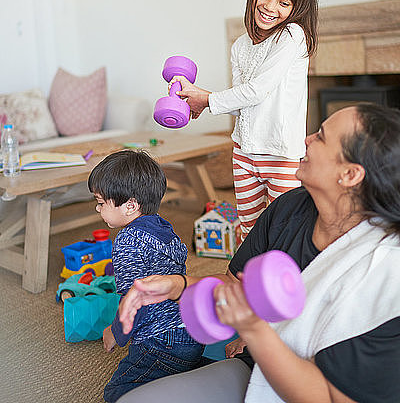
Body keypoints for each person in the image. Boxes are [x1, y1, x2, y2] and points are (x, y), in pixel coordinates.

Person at [117, 103, 400, 403]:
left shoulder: (385, 271)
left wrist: (253, 330)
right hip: (258, 368)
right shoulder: (291, 207)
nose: (307, 138)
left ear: (350, 174)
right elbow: (233, 287)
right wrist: (176, 285)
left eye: (321, 136)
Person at [170, 0, 318, 238]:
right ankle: (247, 279)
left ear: (296, 8)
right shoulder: (240, 46)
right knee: (249, 228)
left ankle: (283, 280)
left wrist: (208, 99)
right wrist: (202, 102)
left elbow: (258, 90)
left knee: (284, 230)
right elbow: (244, 104)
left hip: (280, 153)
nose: (270, 6)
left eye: (284, 2)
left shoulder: (292, 37)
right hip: (244, 152)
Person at [87, 150, 204, 403]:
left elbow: (135, 300)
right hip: (192, 330)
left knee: (117, 393)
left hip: (162, 342)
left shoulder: (127, 241)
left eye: (100, 202)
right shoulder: (164, 226)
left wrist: (116, 333)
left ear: (130, 205)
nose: (98, 209)